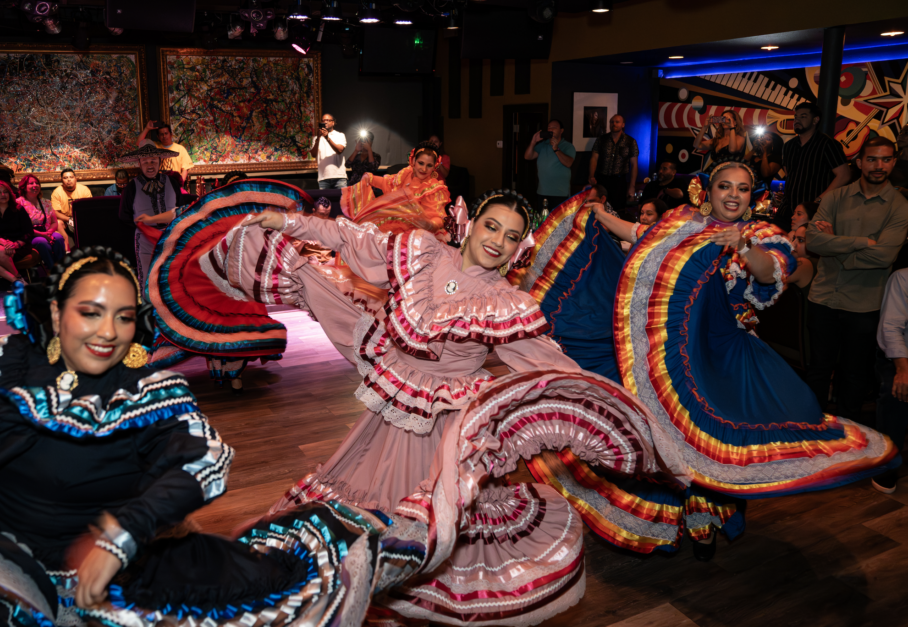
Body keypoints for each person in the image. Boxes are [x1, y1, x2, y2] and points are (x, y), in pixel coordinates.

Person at [0, 246, 420, 626]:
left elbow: (203, 462)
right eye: (89, 312)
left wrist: (118, 538)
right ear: (55, 313)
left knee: (273, 584)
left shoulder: (148, 389)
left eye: (121, 317)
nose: (107, 332)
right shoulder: (13, 366)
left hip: (115, 568)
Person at [236, 189, 666, 623]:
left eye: (512, 236)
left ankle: (396, 586)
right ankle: (366, 584)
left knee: (425, 521)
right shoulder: (421, 251)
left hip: (448, 423)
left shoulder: (506, 303)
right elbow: (349, 238)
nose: (498, 240)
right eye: (492, 226)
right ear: (472, 223)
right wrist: (286, 223)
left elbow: (548, 365)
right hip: (394, 403)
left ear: (520, 248)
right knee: (371, 503)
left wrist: (612, 408)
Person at [515, 161, 897, 558]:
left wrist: (742, 245)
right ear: (708, 191)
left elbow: (769, 274)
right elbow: (640, 234)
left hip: (726, 353)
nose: (733, 195)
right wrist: (599, 215)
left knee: (725, 438)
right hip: (677, 349)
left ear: (753, 195)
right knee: (670, 438)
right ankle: (690, 519)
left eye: (743, 188)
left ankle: (710, 519)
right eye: (725, 187)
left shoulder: (761, 234)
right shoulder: (682, 223)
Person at [145, 179, 308, 393]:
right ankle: (232, 376)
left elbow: (180, 213)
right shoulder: (238, 216)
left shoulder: (223, 215)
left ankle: (229, 374)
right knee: (230, 326)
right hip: (224, 284)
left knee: (222, 326)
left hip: (228, 285)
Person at [805, 137, 908, 421]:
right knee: (817, 370)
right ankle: (812, 430)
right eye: (872, 159)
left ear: (893, 162)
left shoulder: (899, 206)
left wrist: (835, 245)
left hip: (865, 305)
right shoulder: (834, 197)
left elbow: (884, 257)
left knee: (854, 375)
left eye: (886, 159)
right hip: (823, 298)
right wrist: (863, 241)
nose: (879, 166)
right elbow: (813, 240)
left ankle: (849, 437)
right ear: (860, 162)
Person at [341, 143, 450, 237]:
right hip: (396, 229)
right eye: (421, 163)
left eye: (429, 165)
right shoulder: (406, 174)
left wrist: (430, 225)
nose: (424, 169)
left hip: (419, 235)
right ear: (414, 161)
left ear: (434, 167)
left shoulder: (434, 188)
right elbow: (388, 183)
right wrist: (370, 178)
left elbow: (438, 218)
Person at [117, 141, 184, 285]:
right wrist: (142, 227)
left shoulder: (172, 183)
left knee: (171, 274)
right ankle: (149, 306)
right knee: (147, 276)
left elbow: (180, 208)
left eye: (153, 161)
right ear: (139, 164)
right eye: (145, 161)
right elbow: (124, 215)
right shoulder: (131, 187)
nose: (150, 165)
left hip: (171, 236)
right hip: (145, 238)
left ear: (160, 162)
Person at [778, 102, 851, 231]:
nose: (797, 120)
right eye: (796, 117)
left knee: (806, 247)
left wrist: (818, 200)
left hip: (814, 211)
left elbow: (844, 175)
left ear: (815, 120)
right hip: (788, 208)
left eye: (803, 116)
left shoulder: (827, 144)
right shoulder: (788, 146)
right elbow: (789, 174)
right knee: (775, 243)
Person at [875, 267, 908, 493]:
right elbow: (891, 327)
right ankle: (887, 465)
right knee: (896, 392)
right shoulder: (903, 278)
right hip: (901, 356)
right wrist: (903, 370)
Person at [0, 180, 35, 288]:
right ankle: (16, 279)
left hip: (19, 246)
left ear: (10, 194)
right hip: (1, 246)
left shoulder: (19, 209)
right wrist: (4, 243)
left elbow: (29, 232)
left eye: (5, 192)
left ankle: (17, 281)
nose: (3, 195)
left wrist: (15, 244)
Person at [588, 114, 639, 215]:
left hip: (619, 181)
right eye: (611, 122)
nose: (614, 124)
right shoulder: (601, 139)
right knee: (599, 209)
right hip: (602, 179)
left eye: (617, 122)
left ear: (623, 124)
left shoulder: (630, 141)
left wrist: (632, 186)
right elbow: (594, 158)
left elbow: (634, 165)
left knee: (618, 211)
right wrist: (591, 175)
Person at [17, 174, 65, 271]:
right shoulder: (18, 203)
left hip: (46, 232)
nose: (35, 185)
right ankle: (52, 270)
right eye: (31, 183)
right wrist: (44, 235)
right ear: (24, 187)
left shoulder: (46, 202)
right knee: (42, 242)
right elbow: (21, 227)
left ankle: (62, 268)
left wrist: (49, 233)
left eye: (37, 183)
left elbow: (54, 222)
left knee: (59, 237)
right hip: (30, 235)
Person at [525, 119, 576, 211]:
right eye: (549, 127)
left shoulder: (568, 146)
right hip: (542, 191)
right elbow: (528, 157)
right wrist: (533, 141)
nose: (551, 129)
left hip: (560, 193)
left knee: (559, 223)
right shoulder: (543, 145)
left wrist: (556, 149)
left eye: (554, 127)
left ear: (561, 131)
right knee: (543, 221)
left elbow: (568, 163)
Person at [50, 168, 93, 249]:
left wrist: (79, 219)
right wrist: (69, 219)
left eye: (71, 177)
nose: (69, 180)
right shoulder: (57, 192)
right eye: (65, 178)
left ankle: (89, 249)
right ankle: (67, 249)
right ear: (62, 180)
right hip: (65, 219)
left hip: (81, 217)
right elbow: (55, 212)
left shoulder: (84, 189)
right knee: (58, 223)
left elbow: (89, 208)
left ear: (75, 179)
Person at [311, 113, 347, 189]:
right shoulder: (316, 139)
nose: (325, 122)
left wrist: (327, 137)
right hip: (323, 178)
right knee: (324, 201)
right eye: (323, 120)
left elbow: (339, 150)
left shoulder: (340, 135)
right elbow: (313, 154)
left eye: (328, 120)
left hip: (339, 177)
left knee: (341, 200)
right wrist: (318, 138)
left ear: (333, 122)